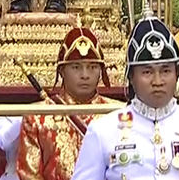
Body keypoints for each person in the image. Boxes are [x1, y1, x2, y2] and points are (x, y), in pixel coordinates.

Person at [71, 14, 179, 180]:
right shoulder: (103, 132)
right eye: (147, 72)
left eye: (165, 71)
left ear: (177, 74)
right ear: (131, 77)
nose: (157, 81)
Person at [16, 26, 117, 180]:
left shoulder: (116, 114)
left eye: (92, 67)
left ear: (101, 71)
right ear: (62, 71)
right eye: (76, 67)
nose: (85, 75)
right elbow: (29, 175)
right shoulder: (38, 117)